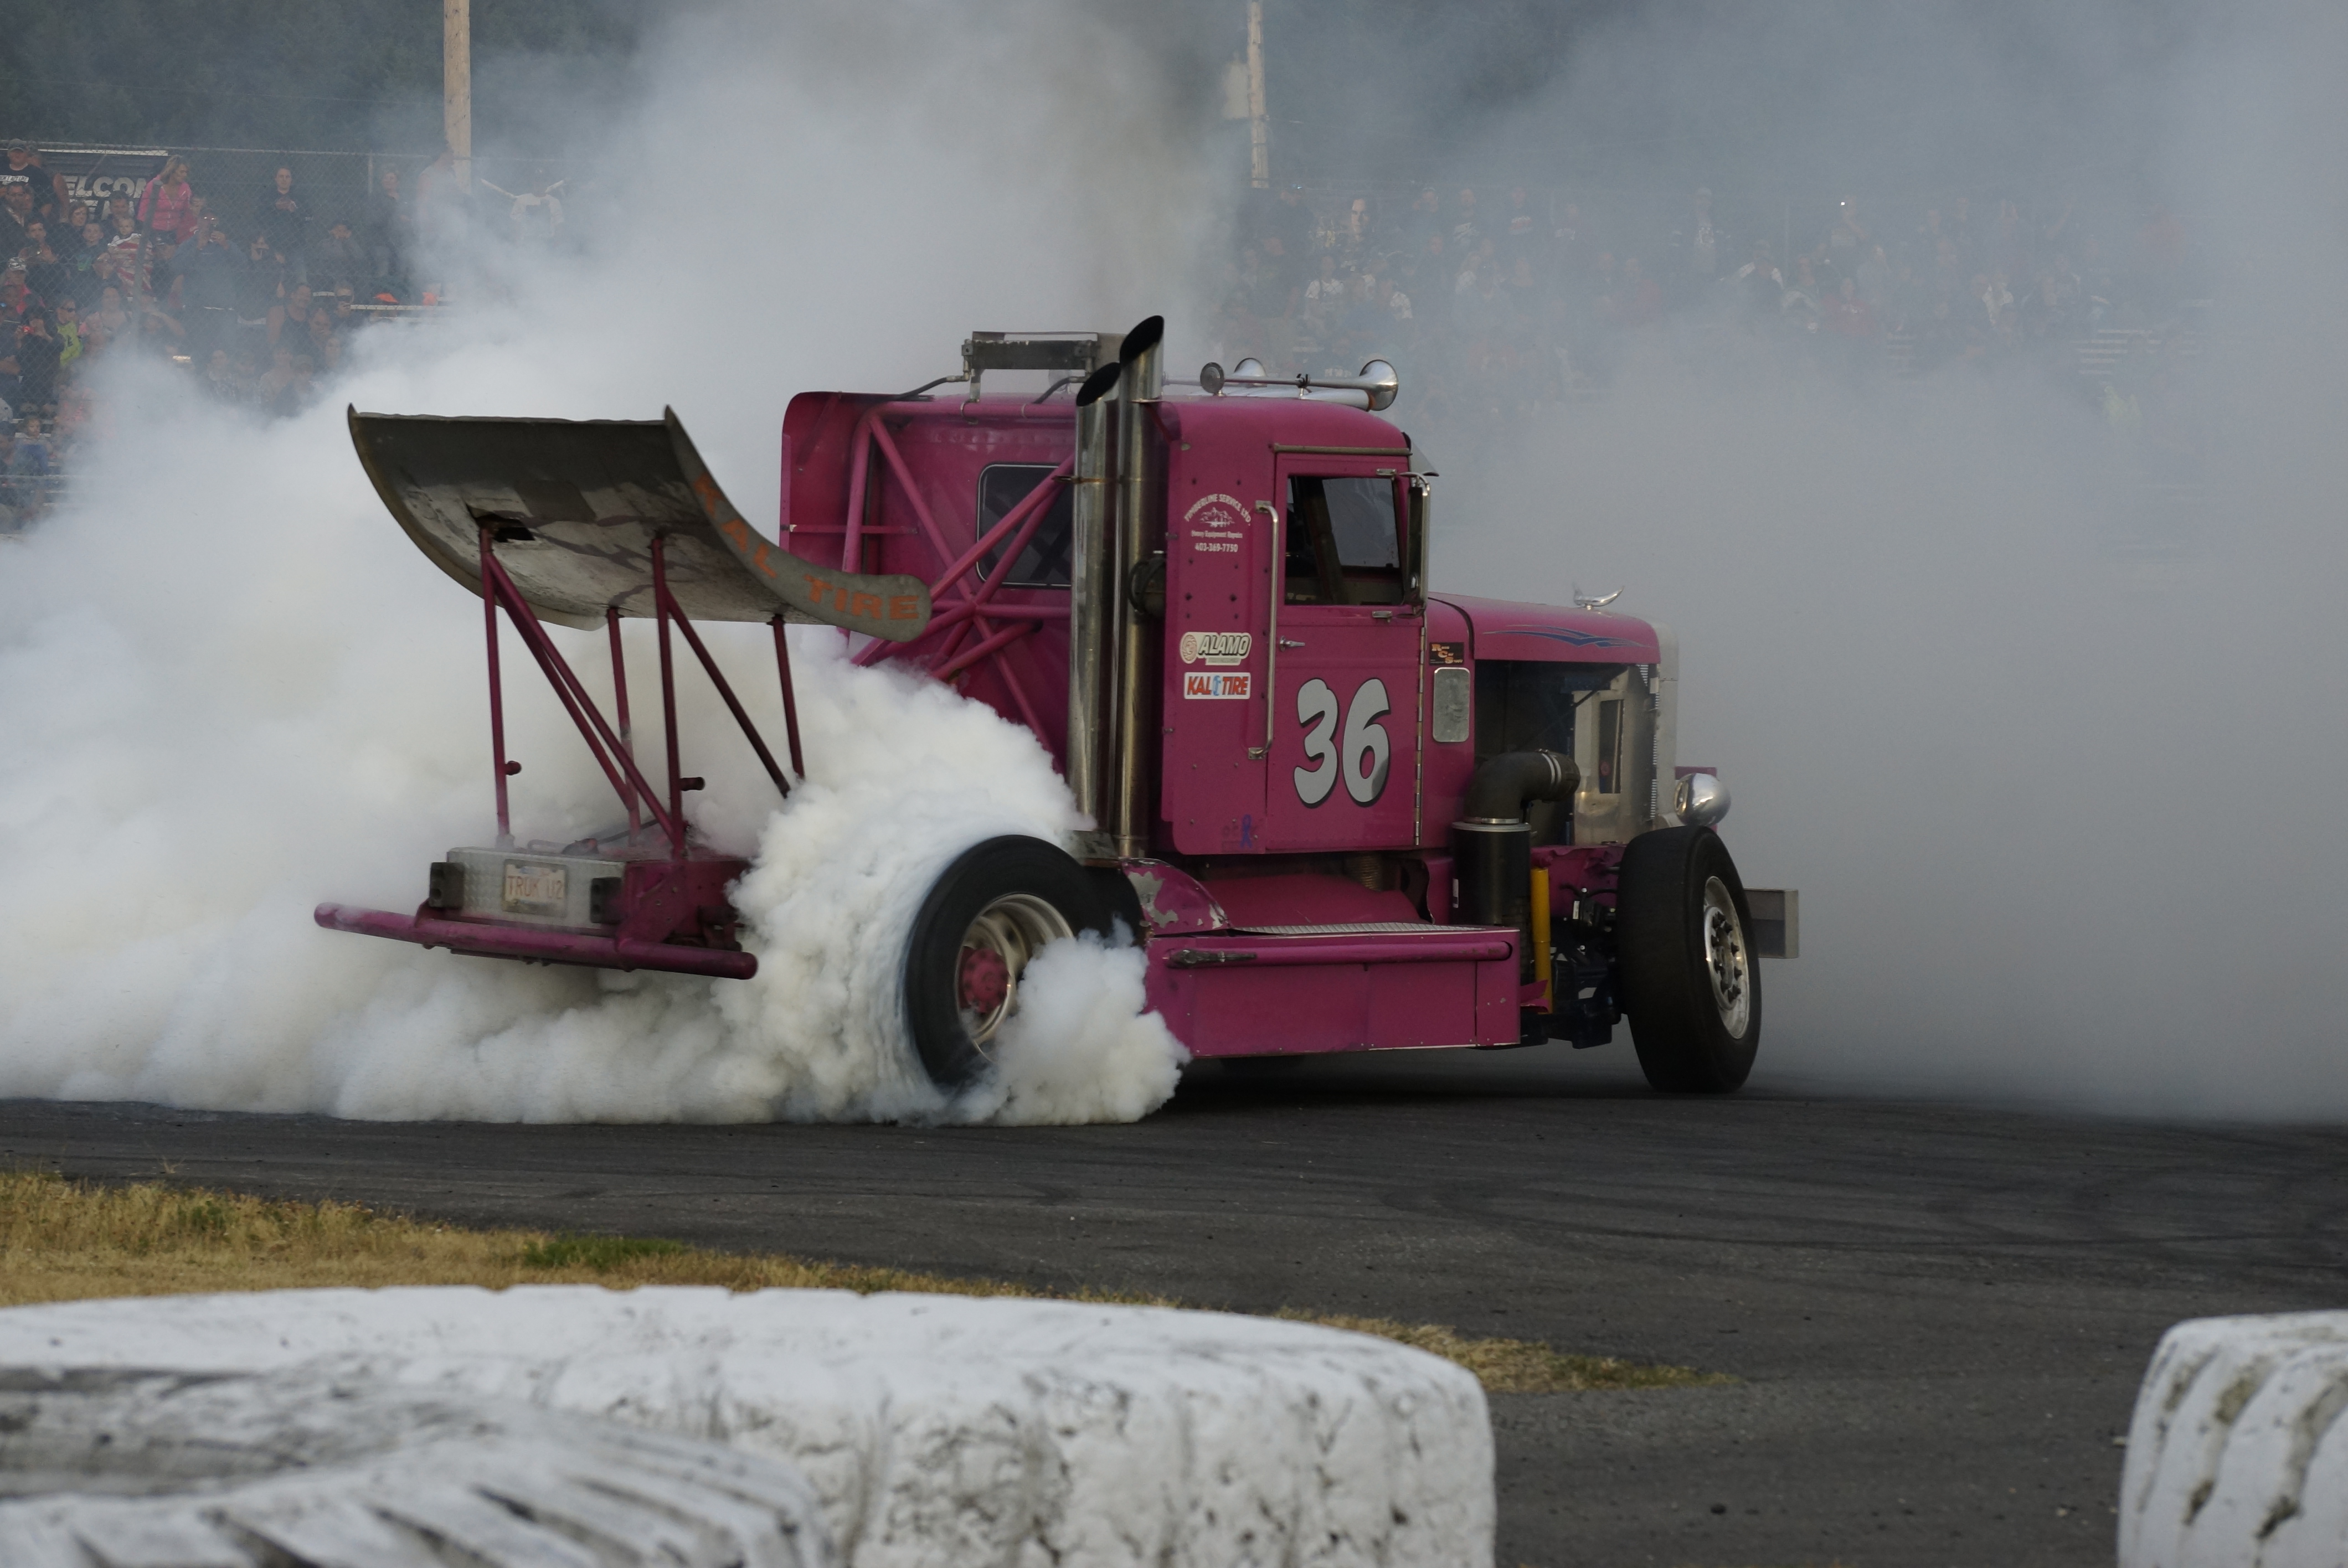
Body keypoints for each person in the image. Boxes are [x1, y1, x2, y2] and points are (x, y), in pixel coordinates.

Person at [256, 167, 310, 284]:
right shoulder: (267, 197)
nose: (284, 180)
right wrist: (274, 208)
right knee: (272, 278)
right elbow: (259, 217)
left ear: (292, 180)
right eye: (281, 176)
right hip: (272, 243)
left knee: (300, 277)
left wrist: (295, 211)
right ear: (276, 179)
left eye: (287, 177)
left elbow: (308, 218)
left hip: (295, 244)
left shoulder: (300, 197)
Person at [362, 169, 406, 295]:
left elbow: (411, 215)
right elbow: (373, 219)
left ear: (398, 182)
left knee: (402, 271)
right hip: (381, 242)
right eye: (385, 178)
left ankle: (398, 300)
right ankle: (381, 302)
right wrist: (395, 216)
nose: (388, 181)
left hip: (401, 243)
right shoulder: (376, 198)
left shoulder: (404, 198)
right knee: (383, 272)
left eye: (391, 178)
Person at [137, 157, 198, 244]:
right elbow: (142, 213)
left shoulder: (186, 188)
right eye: (182, 172)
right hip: (153, 231)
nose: (185, 175)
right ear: (172, 171)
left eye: (186, 172)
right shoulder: (154, 185)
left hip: (175, 231)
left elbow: (187, 211)